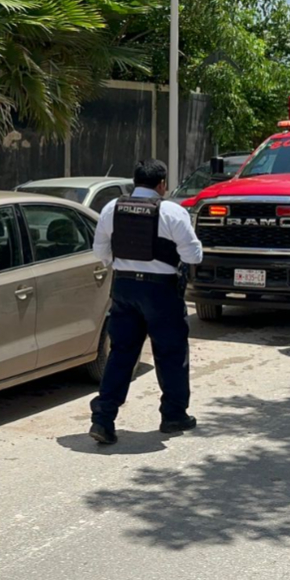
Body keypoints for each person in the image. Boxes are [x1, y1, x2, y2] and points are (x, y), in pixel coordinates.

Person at [88, 159, 203, 445]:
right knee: (171, 354)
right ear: (162, 183)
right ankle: (173, 415)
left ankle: (103, 419)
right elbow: (193, 256)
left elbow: (100, 252)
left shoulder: (111, 208)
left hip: (124, 288)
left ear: (134, 181)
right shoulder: (173, 212)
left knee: (122, 353)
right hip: (161, 292)